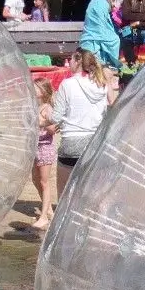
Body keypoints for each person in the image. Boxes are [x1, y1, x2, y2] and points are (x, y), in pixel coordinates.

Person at [50, 49, 116, 193]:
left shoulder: (67, 84)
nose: (69, 63)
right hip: (94, 142)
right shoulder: (101, 84)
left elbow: (56, 117)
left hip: (72, 142)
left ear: (78, 61)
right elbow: (111, 104)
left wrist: (44, 117)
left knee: (65, 194)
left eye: (71, 60)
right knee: (90, 192)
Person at [30, 76, 58, 230]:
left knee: (44, 182)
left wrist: (41, 122)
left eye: (36, 88)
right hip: (35, 147)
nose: (33, 90)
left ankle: (44, 217)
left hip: (45, 147)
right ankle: (48, 210)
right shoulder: (35, 107)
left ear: (42, 91)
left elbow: (54, 129)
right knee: (35, 179)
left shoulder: (47, 109)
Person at [79, 0, 122, 71]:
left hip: (90, 39)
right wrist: (114, 38)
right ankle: (112, 67)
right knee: (115, 40)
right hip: (93, 42)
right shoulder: (101, 4)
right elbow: (100, 29)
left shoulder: (96, 1)